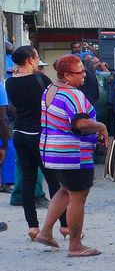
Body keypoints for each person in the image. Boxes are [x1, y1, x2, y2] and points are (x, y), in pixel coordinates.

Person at [34, 55, 108, 257]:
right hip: (72, 153)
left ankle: (46, 232)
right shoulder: (73, 94)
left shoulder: (51, 89)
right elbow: (80, 123)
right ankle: (75, 245)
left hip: (52, 151)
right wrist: (100, 126)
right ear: (66, 75)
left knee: (65, 191)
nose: (84, 75)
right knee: (78, 197)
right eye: (79, 72)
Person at [5, 46, 69, 241]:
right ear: (32, 59)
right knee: (53, 181)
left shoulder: (9, 82)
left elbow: (14, 108)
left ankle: (33, 226)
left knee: (28, 179)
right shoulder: (40, 79)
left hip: (19, 133)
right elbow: (54, 104)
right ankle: (64, 226)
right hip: (39, 135)